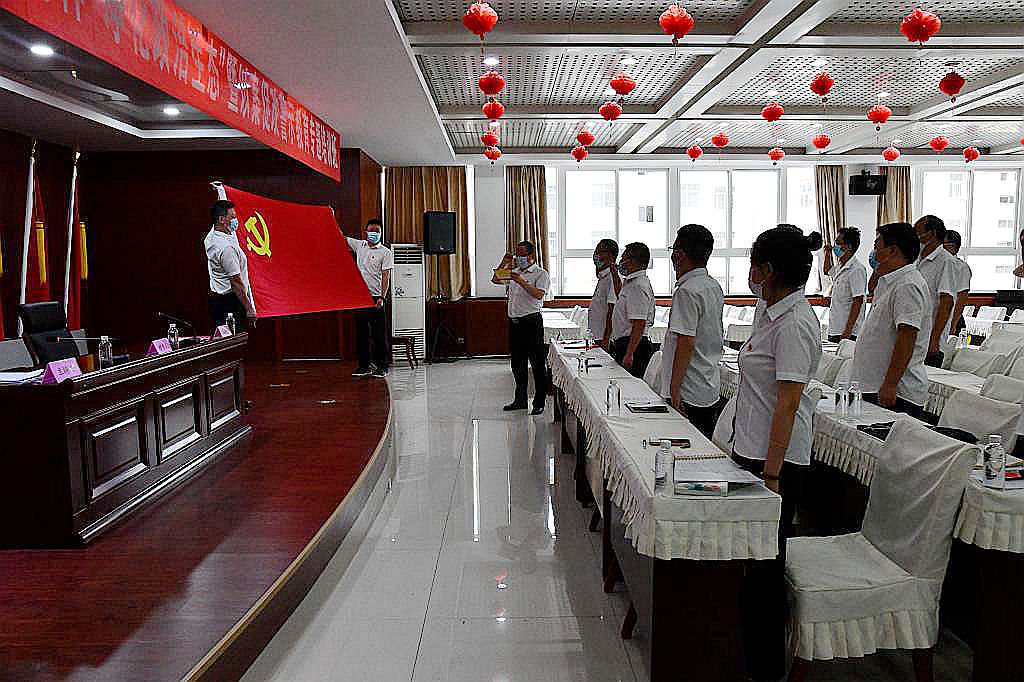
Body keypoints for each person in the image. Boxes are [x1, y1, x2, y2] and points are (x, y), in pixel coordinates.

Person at [732, 226, 823, 682]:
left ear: (767, 270)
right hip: (751, 449)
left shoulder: (794, 323)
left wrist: (771, 475)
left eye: (754, 264)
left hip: (777, 463)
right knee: (752, 562)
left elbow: (788, 403)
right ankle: (747, 653)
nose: (750, 273)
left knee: (767, 568)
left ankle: (766, 669)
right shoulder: (769, 313)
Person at [853, 222, 931, 418]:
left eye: (877, 247)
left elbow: (907, 337)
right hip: (874, 385)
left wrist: (890, 384)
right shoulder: (889, 281)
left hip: (896, 392)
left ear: (893, 251)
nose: (874, 253)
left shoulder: (908, 285)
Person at [661, 224, 724, 438]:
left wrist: (674, 389)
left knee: (686, 449)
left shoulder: (687, 291)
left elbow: (686, 343)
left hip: (687, 389)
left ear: (679, 255)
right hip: (707, 383)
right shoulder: (712, 285)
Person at [492, 241, 549, 415]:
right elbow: (495, 279)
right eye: (517, 254)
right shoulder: (514, 271)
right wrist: (504, 262)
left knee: (537, 364)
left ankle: (539, 402)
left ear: (531, 256)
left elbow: (539, 295)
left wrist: (521, 281)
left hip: (531, 322)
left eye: (522, 254)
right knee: (517, 363)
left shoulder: (540, 273)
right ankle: (520, 400)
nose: (519, 257)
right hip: (515, 323)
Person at [347, 218, 393, 379]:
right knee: (361, 334)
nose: (374, 233)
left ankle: (382, 366)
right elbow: (341, 237)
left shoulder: (386, 252)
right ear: (365, 232)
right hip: (360, 298)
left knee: (379, 334)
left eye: (377, 231)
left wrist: (382, 297)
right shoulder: (359, 245)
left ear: (381, 233)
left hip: (376, 298)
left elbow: (386, 276)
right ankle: (364, 366)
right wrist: (330, 217)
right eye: (371, 230)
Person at [205, 199, 257, 331]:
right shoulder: (226, 248)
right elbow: (236, 282)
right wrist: (249, 308)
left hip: (218, 299)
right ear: (222, 219)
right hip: (231, 303)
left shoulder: (213, 236)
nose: (235, 220)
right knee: (234, 338)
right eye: (232, 217)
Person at [914, 215, 958, 367]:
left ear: (931, 233)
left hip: (930, 339)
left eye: (917, 232)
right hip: (914, 333)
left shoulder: (946, 261)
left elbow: (947, 302)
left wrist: (935, 339)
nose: (915, 236)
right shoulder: (916, 258)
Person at [608, 242, 656, 378]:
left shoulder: (638, 286)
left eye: (623, 258)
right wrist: (614, 274)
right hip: (626, 343)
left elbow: (639, 323)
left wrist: (629, 354)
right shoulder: (631, 282)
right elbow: (621, 294)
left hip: (634, 345)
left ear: (632, 261)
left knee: (629, 385)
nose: (621, 262)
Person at [826, 226, 867, 343]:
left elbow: (858, 301)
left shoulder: (856, 269)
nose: (835, 246)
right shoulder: (840, 266)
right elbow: (827, 270)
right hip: (835, 329)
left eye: (838, 243)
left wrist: (847, 331)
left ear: (848, 246)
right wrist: (827, 253)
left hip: (848, 332)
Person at [588, 239, 621, 348]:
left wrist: (606, 339)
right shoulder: (603, 277)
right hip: (597, 335)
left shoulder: (612, 278)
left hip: (604, 337)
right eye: (596, 251)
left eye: (599, 251)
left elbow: (612, 310)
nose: (596, 255)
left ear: (610, 255)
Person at [942, 229, 972, 334]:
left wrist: (953, 323)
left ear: (951, 246)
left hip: (953, 318)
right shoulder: (938, 264)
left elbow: (962, 297)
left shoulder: (961, 267)